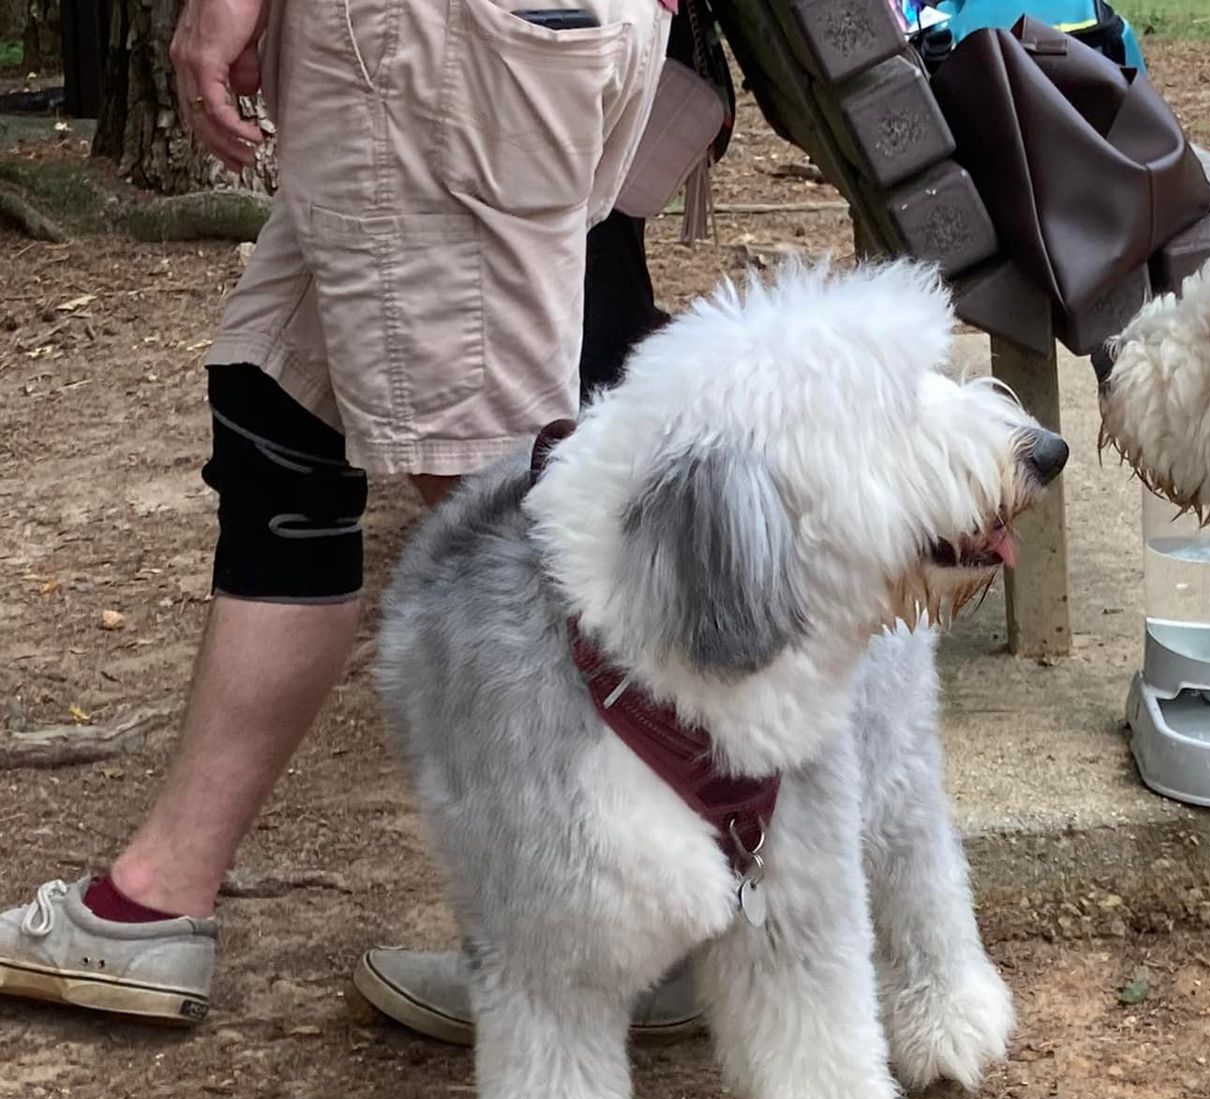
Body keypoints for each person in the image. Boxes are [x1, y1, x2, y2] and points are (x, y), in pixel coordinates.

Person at [0, 0, 711, 1041]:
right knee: (282, 419)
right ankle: (154, 898)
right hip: (447, 50)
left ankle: (646, 928)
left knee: (501, 517)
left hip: (435, 42)